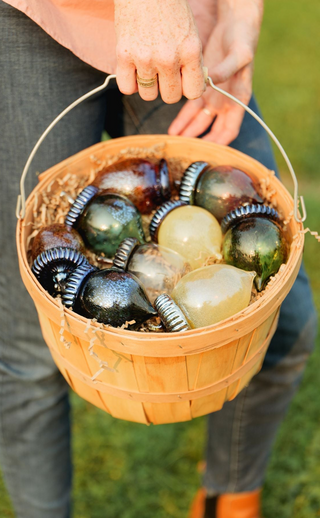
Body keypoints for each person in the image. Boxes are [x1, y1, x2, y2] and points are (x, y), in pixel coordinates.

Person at [0, 1, 317, 517]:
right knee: (28, 353)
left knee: (288, 322)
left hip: (184, 19)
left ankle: (229, 499)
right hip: (39, 17)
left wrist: (241, 12)